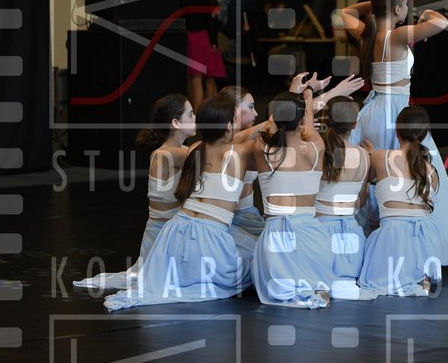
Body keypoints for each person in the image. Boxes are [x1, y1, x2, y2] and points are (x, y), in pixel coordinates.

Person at [340, 0, 448, 266]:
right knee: (408, 171)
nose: (409, 9)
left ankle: (367, 243)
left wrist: (376, 6)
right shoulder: (397, 35)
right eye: (406, 4)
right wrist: (424, 14)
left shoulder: (366, 32)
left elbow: (346, 11)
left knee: (372, 172)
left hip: (372, 112)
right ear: (397, 9)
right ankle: (404, 244)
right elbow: (441, 22)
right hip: (395, 113)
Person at [103, 96, 255, 310]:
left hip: (173, 233)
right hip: (184, 234)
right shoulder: (236, 152)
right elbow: (258, 140)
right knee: (254, 260)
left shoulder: (194, 149)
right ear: (229, 126)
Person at [73, 94, 195, 290]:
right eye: (190, 114)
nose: (195, 118)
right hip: (162, 237)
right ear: (175, 123)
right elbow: (212, 154)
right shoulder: (169, 153)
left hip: (167, 234)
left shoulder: (178, 151)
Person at [251, 89, 334, 308]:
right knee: (319, 284)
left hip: (276, 240)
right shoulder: (316, 148)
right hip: (314, 239)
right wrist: (308, 100)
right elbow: (308, 128)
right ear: (302, 120)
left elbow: (269, 127)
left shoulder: (262, 149)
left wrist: (287, 104)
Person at [358, 106, 442, 297]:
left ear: (397, 130)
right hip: (427, 241)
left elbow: (363, 192)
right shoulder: (431, 171)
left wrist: (371, 156)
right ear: (424, 134)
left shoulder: (380, 157)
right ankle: (422, 274)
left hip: (393, 238)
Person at [315, 97, 370, 299]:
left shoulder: (316, 152)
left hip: (318, 236)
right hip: (352, 243)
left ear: (325, 120)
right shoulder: (364, 156)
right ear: (355, 124)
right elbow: (360, 202)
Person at [218, 85, 265, 237]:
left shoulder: (245, 137)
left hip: (248, 214)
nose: (256, 113)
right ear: (234, 111)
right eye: (250, 107)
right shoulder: (231, 139)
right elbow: (278, 121)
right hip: (234, 218)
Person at [181, 0, 227, 112]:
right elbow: (210, 22)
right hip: (204, 37)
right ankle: (199, 113)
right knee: (200, 78)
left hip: (192, 38)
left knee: (195, 79)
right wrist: (212, 41)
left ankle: (195, 113)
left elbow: (181, 20)